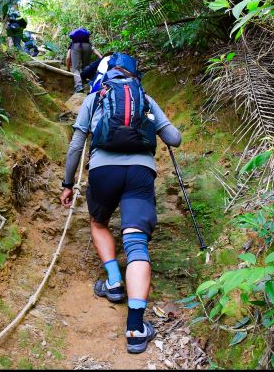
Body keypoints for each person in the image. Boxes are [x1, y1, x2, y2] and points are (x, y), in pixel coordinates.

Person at [59, 53, 182, 354]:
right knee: (136, 244)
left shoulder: (96, 96)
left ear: (107, 73)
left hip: (103, 170)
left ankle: (114, 281)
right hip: (141, 173)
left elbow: (77, 144)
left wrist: (67, 182)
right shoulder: (145, 98)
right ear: (134, 74)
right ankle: (136, 329)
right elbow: (175, 138)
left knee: (99, 222)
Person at [65, 27, 102, 93]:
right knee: (86, 66)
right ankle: (90, 83)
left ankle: (78, 86)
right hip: (87, 47)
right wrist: (102, 58)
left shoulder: (73, 43)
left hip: (75, 47)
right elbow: (95, 51)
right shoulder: (88, 43)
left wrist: (67, 69)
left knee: (76, 69)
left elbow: (68, 58)